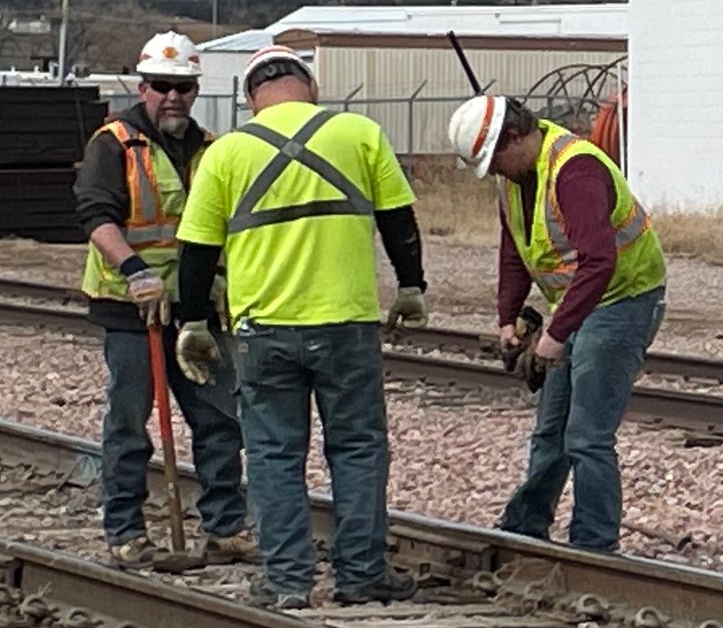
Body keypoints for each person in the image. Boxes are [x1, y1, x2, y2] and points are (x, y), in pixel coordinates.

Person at [172, 45, 430, 610]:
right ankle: (362, 574)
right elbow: (398, 221)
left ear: (249, 99)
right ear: (309, 87)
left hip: (264, 330)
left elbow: (195, 250)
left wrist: (192, 320)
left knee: (272, 454)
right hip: (347, 325)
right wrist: (412, 286)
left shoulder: (226, 152)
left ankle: (287, 582)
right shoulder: (359, 133)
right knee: (359, 448)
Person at [447, 93, 666, 554]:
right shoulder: (515, 179)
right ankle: (526, 525)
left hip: (624, 298)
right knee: (552, 428)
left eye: (494, 160)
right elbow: (516, 249)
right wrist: (508, 316)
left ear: (513, 138)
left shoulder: (575, 169)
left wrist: (554, 336)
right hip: (580, 301)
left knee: (587, 434)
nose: (495, 172)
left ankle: (594, 546)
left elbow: (599, 261)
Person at [73, 31, 257, 569]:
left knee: (219, 417)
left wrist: (219, 279)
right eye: (161, 85)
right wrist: (134, 271)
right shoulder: (113, 144)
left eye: (183, 86)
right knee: (130, 423)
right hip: (131, 307)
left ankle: (225, 528)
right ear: (143, 86)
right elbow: (96, 217)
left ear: (196, 89)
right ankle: (125, 531)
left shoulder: (211, 147)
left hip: (195, 307)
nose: (172, 96)